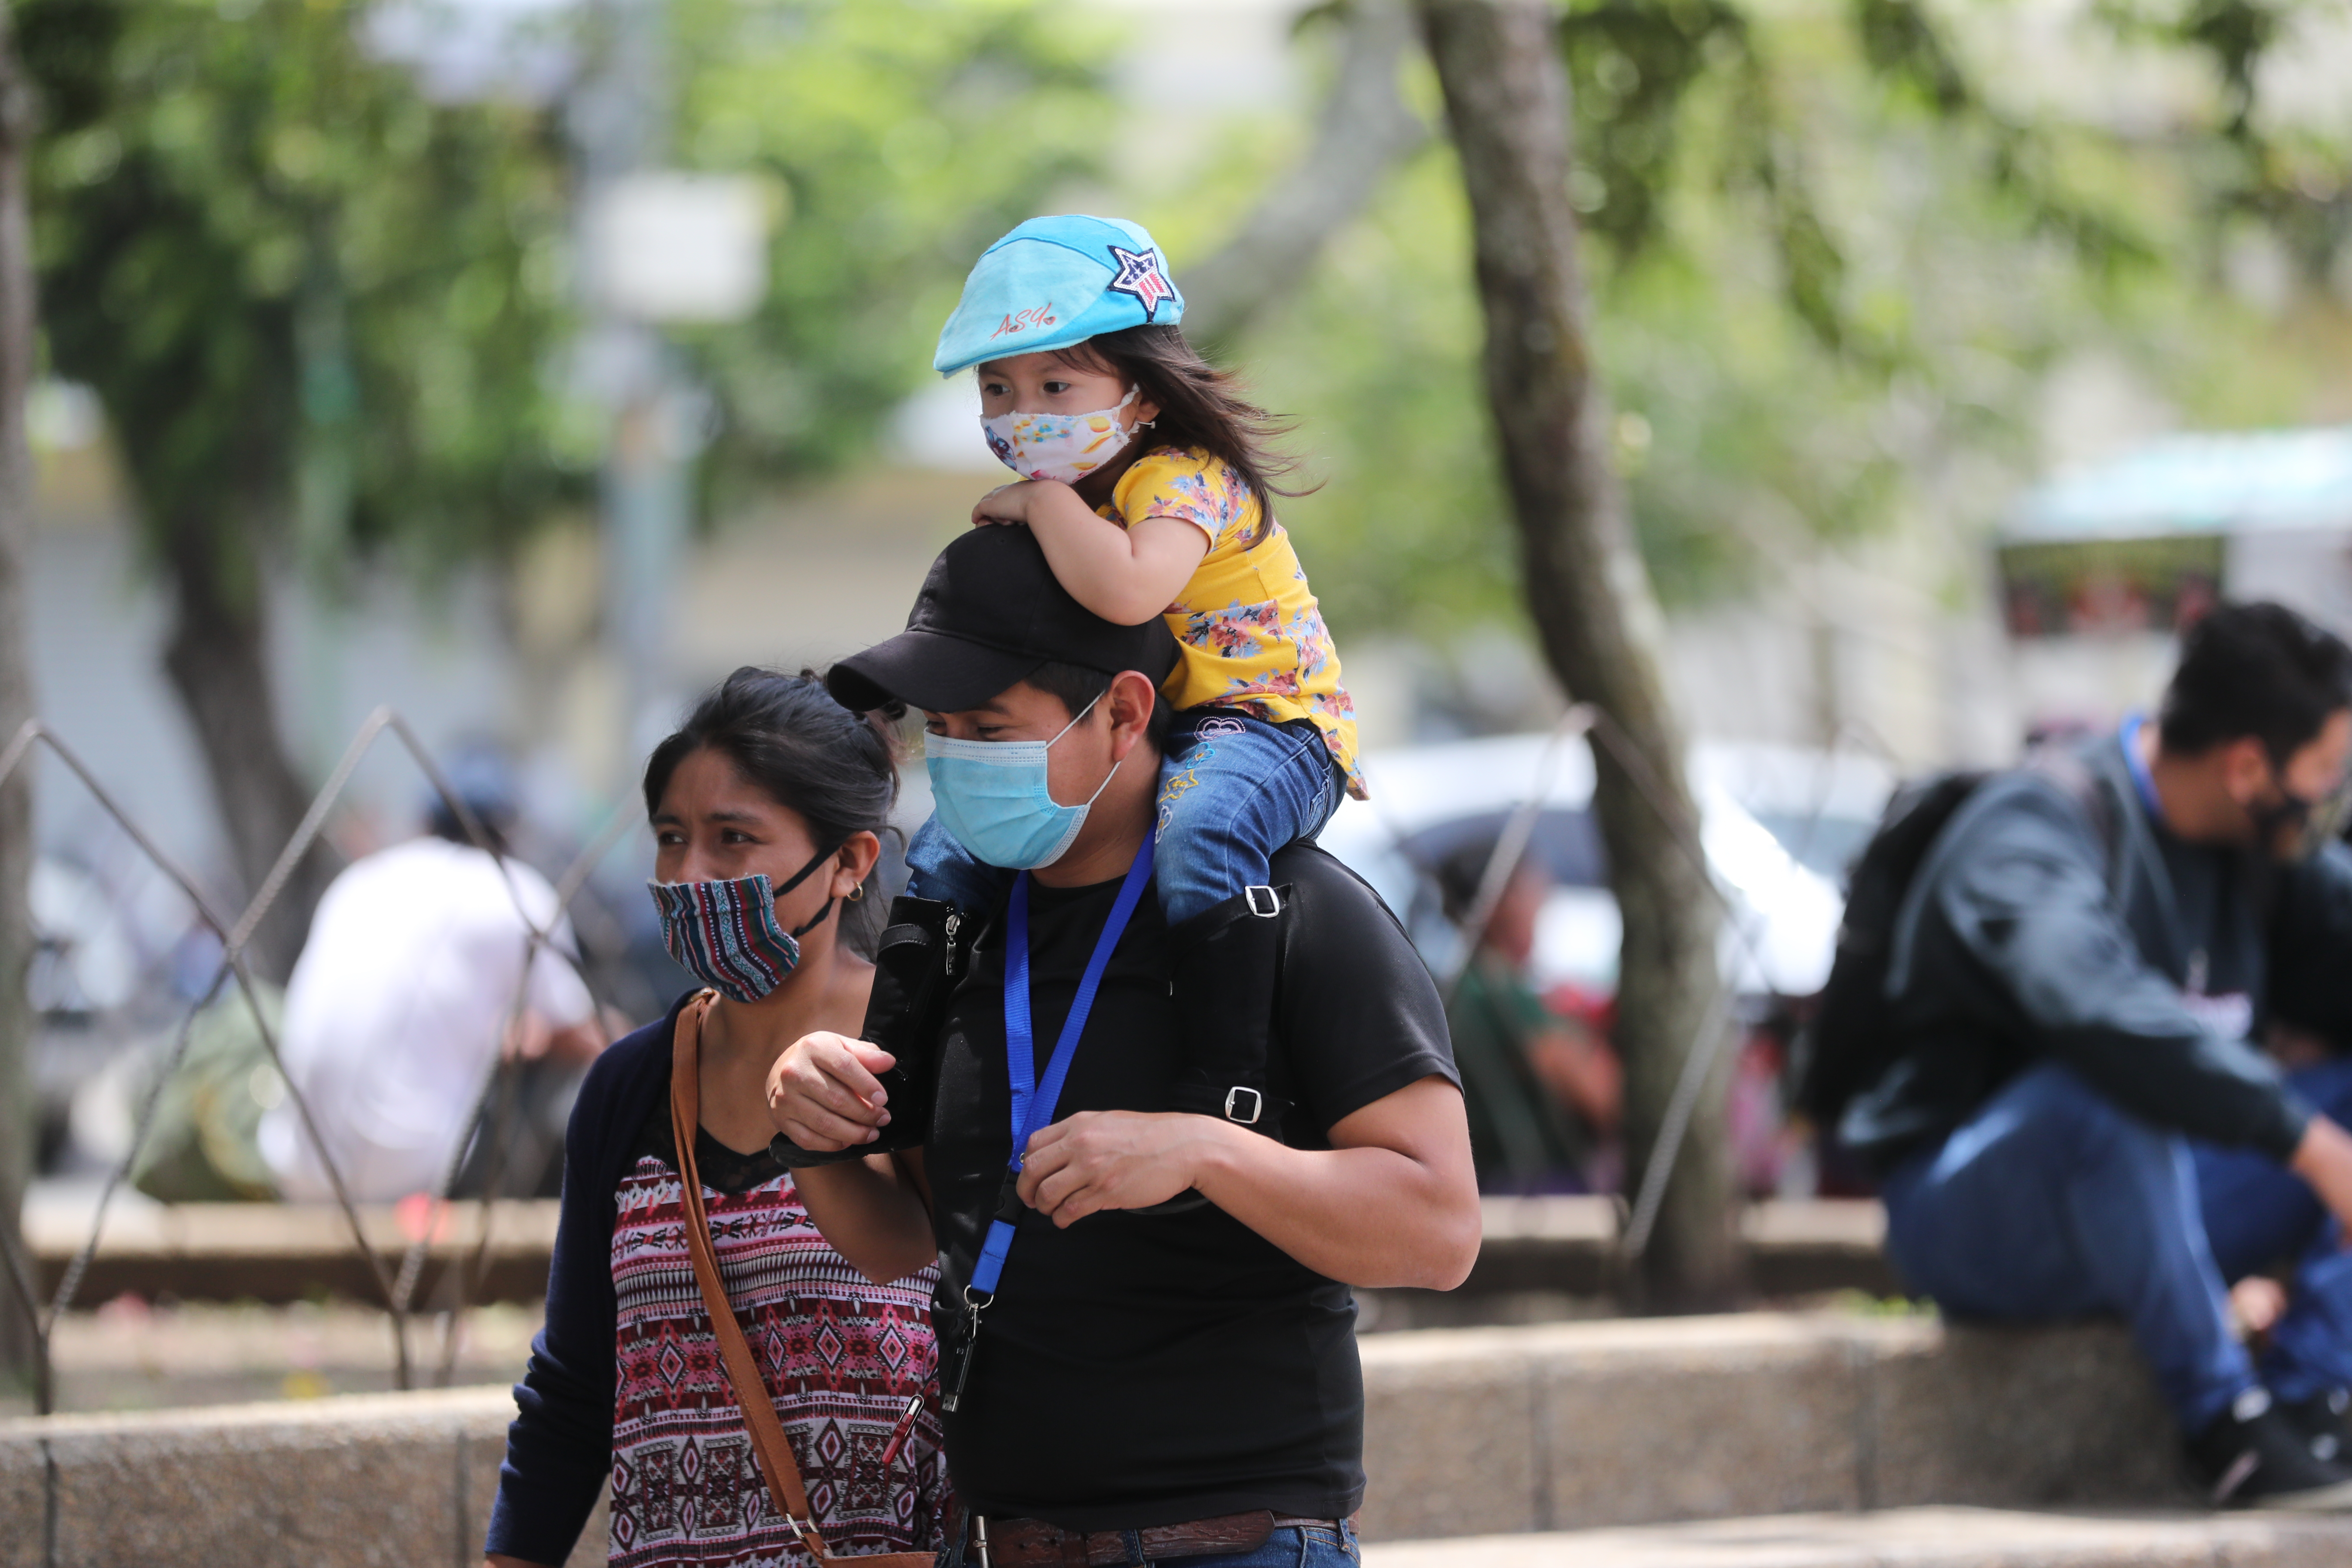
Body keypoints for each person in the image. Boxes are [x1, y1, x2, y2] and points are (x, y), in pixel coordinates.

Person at [770, 523, 1479, 1565]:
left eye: (994, 726)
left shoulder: (1290, 911)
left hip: (1226, 1544)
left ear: (1122, 712)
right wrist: (815, 1127)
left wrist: (1203, 1150)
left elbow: (1439, 1228)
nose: (959, 759)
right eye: (945, 729)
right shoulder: (958, 933)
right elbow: (909, 1235)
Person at [1841, 600, 2352, 1510]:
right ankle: (2225, 1429)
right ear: (2247, 767)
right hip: (1972, 1216)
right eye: (2325, 776)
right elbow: (2095, 1008)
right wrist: (2309, 1145)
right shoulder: (2037, 828)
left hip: (2171, 1198)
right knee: (2108, 1091)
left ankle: (2315, 1399)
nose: (2329, 804)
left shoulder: (2260, 862)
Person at [485, 671, 950, 1568]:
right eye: (670, 838)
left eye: (733, 839)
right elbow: (575, 1386)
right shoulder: (631, 1086)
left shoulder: (926, 1049)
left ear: (852, 862)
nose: (688, 875)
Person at [906, 213, 1363, 939]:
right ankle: (896, 1033)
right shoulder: (1083, 497)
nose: (1021, 415)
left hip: (1269, 725)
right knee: (946, 846)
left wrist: (1041, 500)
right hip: (1161, 727)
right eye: (997, 389)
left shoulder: (1182, 477)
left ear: (1145, 393)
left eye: (1055, 385)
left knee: (1202, 837)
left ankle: (1225, 1051)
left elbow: (1129, 591)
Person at [259, 756, 604, 1204]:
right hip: (411, 1175)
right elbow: (585, 1040)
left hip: (298, 1168)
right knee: (582, 1080)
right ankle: (525, 1250)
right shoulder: (516, 890)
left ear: (424, 822)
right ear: (511, 831)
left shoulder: (360, 880)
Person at [1436, 845, 1620, 1193]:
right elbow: (1601, 1098)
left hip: (1476, 1182)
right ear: (1501, 902)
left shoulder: (1456, 989)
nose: (1544, 902)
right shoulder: (1504, 994)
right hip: (1535, 1191)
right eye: (1535, 890)